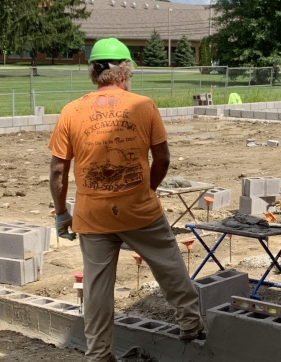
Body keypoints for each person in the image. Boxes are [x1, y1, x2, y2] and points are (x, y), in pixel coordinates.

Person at [48, 38, 203, 362]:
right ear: (123, 72)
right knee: (168, 262)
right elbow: (162, 159)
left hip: (92, 216)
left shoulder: (72, 111)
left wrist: (62, 213)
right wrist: (148, 189)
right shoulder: (142, 106)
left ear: (94, 72)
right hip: (139, 210)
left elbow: (58, 171)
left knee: (97, 288)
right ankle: (190, 323)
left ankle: (99, 354)